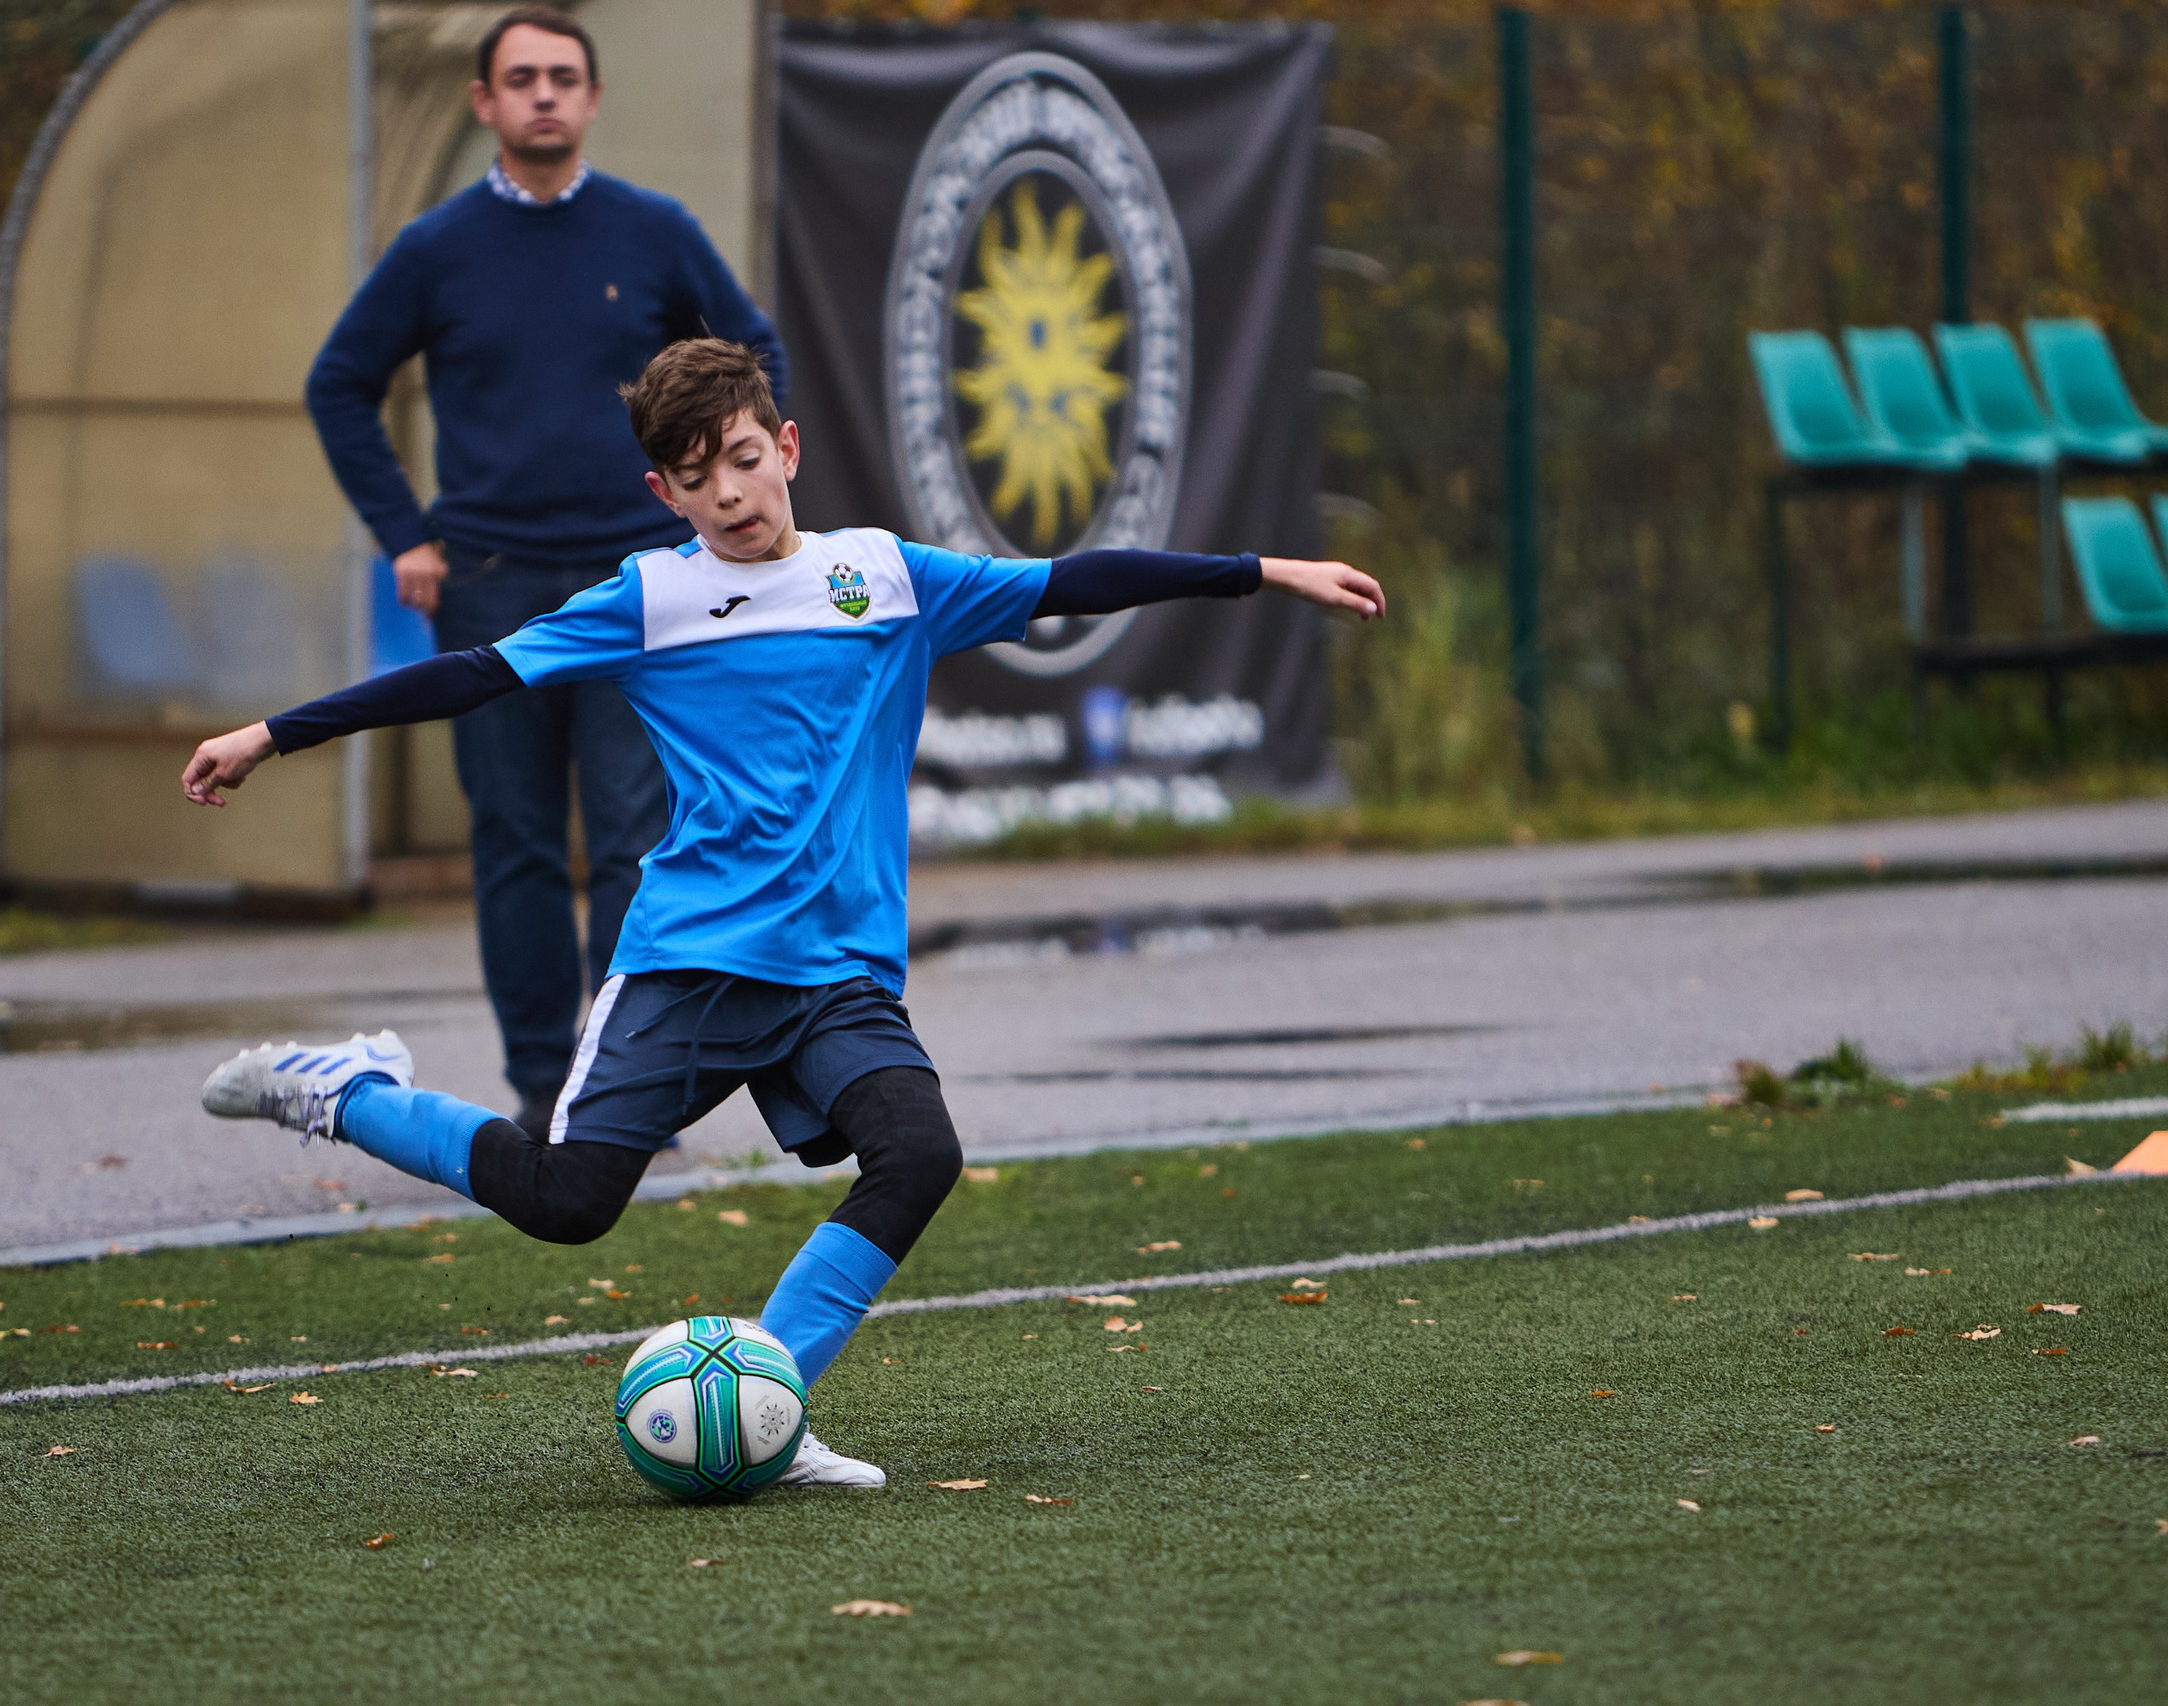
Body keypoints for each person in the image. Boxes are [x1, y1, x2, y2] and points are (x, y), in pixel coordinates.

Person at [182, 339, 1383, 1487]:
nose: (730, 493)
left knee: (918, 1155)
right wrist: (274, 732)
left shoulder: (885, 578)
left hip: (836, 976)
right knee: (567, 1202)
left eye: (744, 457)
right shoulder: (650, 597)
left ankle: (768, 1408)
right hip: (692, 961)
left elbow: (1073, 580)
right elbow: (473, 673)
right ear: (665, 490)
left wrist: (1267, 570)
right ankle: (345, 1089)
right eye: (696, 477)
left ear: (788, 446)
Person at [305, 6, 787, 1137]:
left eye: (563, 77)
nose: (543, 95)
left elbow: (753, 350)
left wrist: (717, 491)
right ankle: (540, 1087)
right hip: (488, 577)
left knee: (632, 836)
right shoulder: (436, 248)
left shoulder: (652, 230)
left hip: (641, 582)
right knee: (515, 839)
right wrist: (402, 533)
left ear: (593, 98)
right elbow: (339, 383)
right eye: (520, 78)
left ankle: (628, 1088)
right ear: (484, 102)